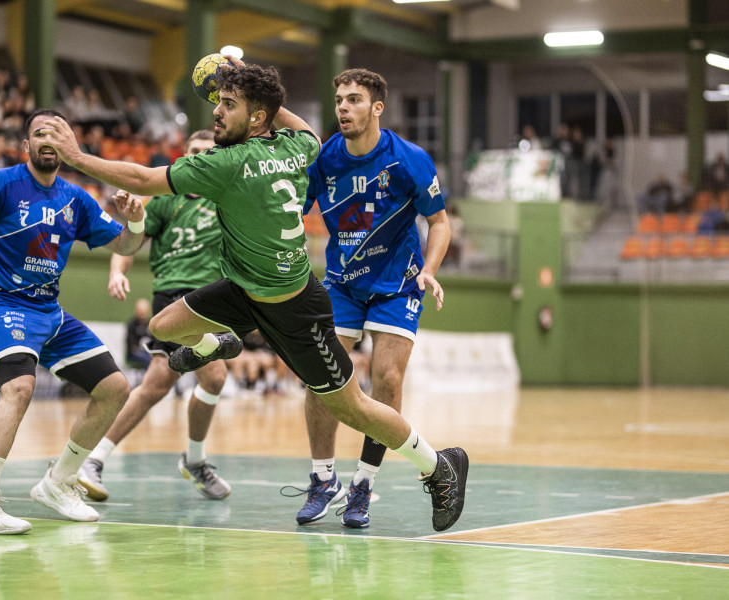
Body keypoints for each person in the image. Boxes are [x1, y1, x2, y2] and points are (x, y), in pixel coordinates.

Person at [42, 57, 469, 533]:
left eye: (228, 105)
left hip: (295, 306)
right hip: (245, 289)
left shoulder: (227, 164)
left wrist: (76, 158)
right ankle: (218, 344)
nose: (216, 113)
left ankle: (438, 465)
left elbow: (144, 180)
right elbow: (302, 125)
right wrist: (256, 88)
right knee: (164, 327)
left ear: (258, 116)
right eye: (217, 104)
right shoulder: (300, 144)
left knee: (354, 406)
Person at [0, 109, 146, 535]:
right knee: (19, 386)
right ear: (26, 146)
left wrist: (136, 217)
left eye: (58, 133)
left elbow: (126, 242)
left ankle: (59, 482)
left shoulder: (76, 197)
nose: (48, 140)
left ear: (70, 144)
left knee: (115, 388)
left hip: (48, 311)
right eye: (40, 133)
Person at [300, 68, 451, 528]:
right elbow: (290, 212)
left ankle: (364, 483)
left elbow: (439, 223)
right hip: (343, 280)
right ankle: (323, 479)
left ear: (376, 108)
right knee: (319, 378)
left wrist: (429, 271)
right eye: (340, 99)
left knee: (386, 379)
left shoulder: (409, 159)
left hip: (398, 281)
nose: (343, 107)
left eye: (354, 99)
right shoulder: (324, 159)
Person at [78, 129, 233, 502]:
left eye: (207, 152)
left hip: (213, 299)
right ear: (185, 157)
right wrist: (117, 271)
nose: (199, 157)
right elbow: (130, 237)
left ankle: (92, 458)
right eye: (193, 151)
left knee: (154, 387)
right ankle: (193, 461)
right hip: (176, 297)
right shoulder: (166, 201)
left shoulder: (226, 198)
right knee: (214, 373)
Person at [124, 298, 153, 368]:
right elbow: (132, 347)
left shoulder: (151, 324)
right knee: (148, 359)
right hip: (134, 354)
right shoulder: (132, 325)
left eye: (144, 312)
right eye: (141, 312)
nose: (142, 315)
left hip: (148, 352)